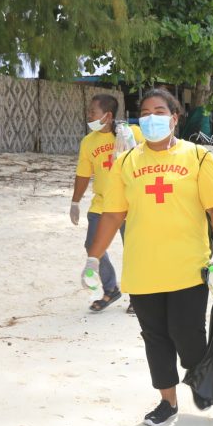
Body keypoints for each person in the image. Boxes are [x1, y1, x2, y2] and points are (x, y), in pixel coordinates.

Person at [84, 87, 213, 426]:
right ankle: (167, 399)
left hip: (188, 267)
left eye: (159, 111)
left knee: (188, 333)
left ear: (175, 118)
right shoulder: (127, 163)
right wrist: (94, 258)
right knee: (155, 336)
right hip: (143, 268)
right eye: (145, 113)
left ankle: (199, 374)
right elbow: (112, 214)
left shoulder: (198, 158)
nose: (151, 118)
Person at [71, 94, 143, 312]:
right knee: (92, 246)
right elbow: (83, 175)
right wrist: (75, 201)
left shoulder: (132, 133)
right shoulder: (88, 142)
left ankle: (138, 295)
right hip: (101, 204)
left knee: (133, 249)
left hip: (129, 205)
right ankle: (111, 289)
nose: (89, 115)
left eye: (93, 112)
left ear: (108, 115)